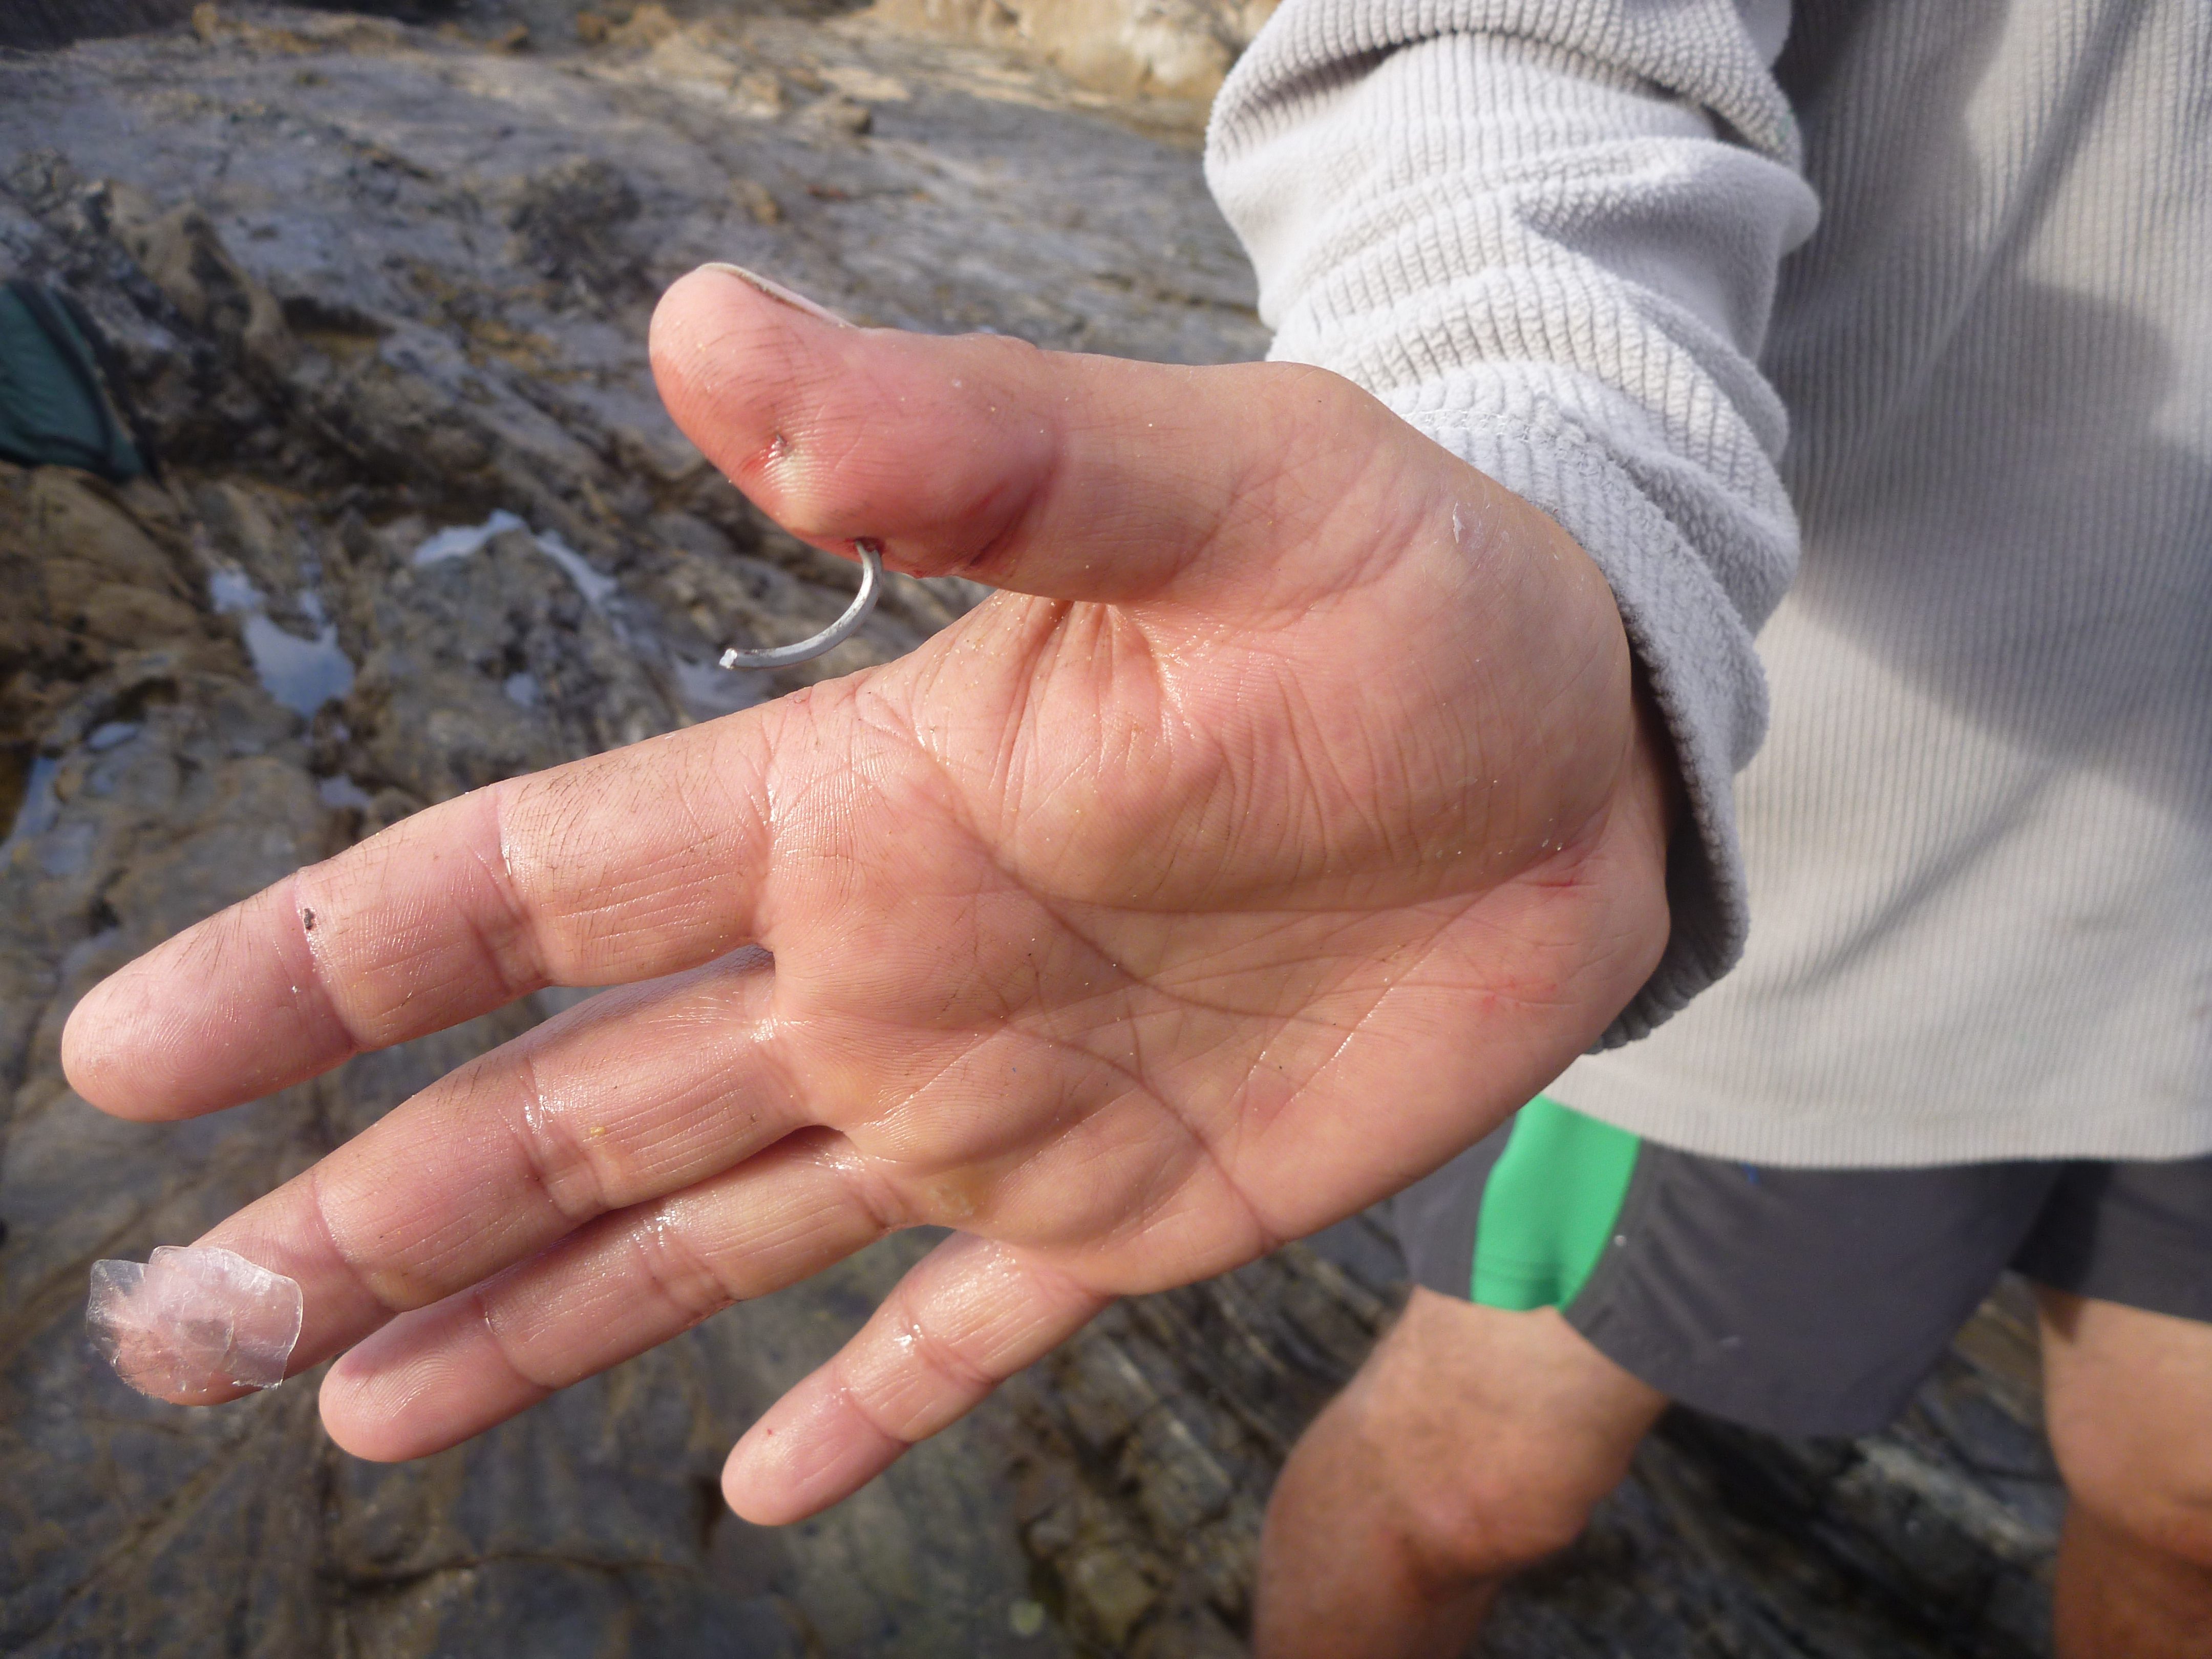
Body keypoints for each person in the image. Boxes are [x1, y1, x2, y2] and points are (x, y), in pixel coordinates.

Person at [56, 0, 2210, 1654]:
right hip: (1806, 915)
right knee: (1471, 1492)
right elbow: (1498, 49)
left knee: (2186, 1511)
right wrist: (1545, 489)